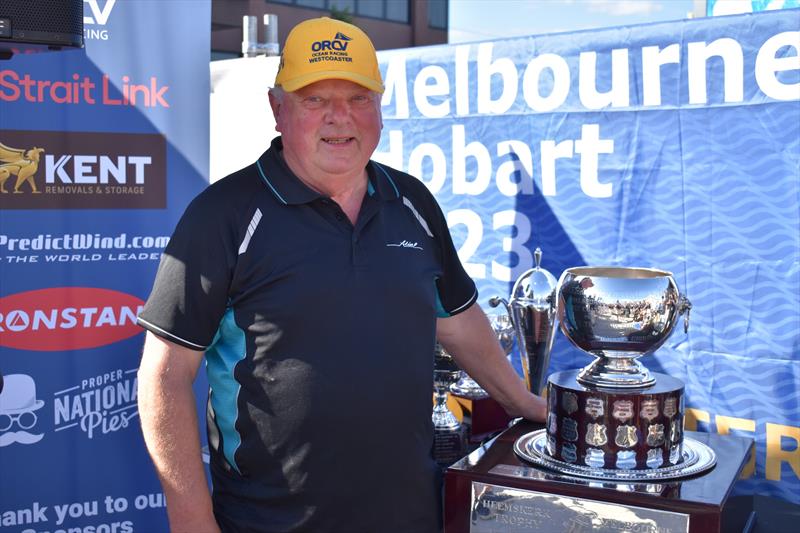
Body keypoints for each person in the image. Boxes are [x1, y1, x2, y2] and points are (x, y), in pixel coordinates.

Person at [136, 16, 545, 533]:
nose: (340, 118)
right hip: (267, 522)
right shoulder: (223, 215)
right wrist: (192, 523)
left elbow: (460, 324)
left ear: (379, 107)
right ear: (277, 108)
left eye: (358, 98)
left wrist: (527, 405)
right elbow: (166, 375)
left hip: (410, 515)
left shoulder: (412, 203)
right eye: (315, 99)